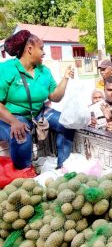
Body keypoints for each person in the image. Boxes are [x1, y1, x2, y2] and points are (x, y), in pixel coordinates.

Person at [0, 30, 75, 170]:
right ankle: (25, 174)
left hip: (38, 113)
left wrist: (65, 78)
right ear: (29, 49)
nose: (44, 53)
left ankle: (62, 166)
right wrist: (14, 122)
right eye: (41, 48)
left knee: (67, 123)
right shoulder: (6, 69)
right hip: (11, 116)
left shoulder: (44, 71)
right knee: (21, 134)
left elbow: (55, 97)